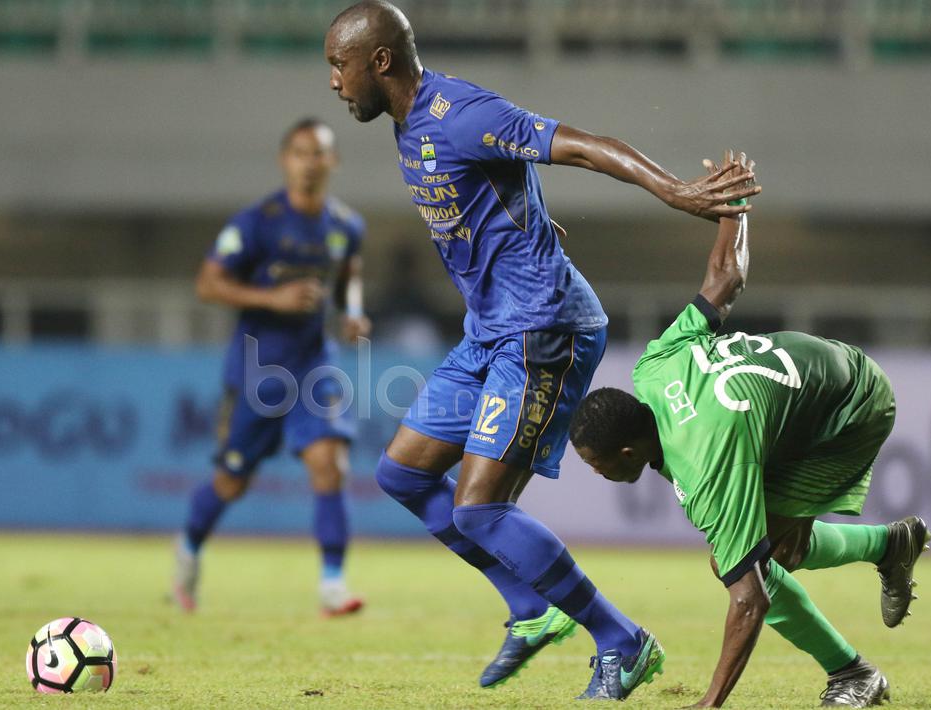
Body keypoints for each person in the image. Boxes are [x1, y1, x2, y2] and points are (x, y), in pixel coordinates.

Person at [324, 1, 759, 699]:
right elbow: (490, 192)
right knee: (402, 476)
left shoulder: (461, 112)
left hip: (543, 327)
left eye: (338, 66)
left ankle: (622, 641)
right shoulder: (407, 125)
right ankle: (530, 608)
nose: (334, 83)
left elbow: (583, 144)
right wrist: (526, 219)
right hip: (489, 329)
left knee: (478, 509)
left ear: (379, 61)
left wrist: (673, 191)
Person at [568, 152, 930, 708]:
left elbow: (749, 601)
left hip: (850, 408)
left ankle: (852, 673)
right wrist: (732, 206)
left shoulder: (708, 459)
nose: (600, 475)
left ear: (625, 450)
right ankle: (890, 545)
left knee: (751, 561)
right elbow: (726, 277)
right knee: (770, 544)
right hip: (820, 372)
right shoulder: (655, 366)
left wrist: (708, 703)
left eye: (599, 465)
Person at [172, 118, 369, 617]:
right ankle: (190, 546)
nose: (309, 163)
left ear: (333, 162)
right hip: (257, 369)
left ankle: (331, 582)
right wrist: (271, 297)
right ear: (285, 160)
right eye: (300, 153)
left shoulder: (346, 226)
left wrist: (350, 313)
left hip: (311, 365)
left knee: (330, 463)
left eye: (318, 154)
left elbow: (349, 275)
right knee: (231, 480)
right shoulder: (255, 223)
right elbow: (207, 284)